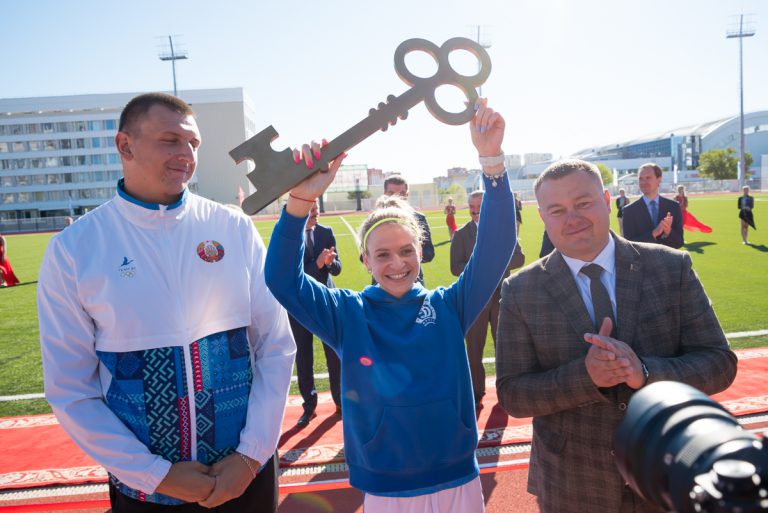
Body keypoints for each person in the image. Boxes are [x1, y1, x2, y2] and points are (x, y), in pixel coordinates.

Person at [37, 93, 296, 512]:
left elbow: (275, 346)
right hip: (146, 492)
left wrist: (251, 456)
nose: (187, 155)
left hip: (245, 478)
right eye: (170, 140)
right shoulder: (74, 248)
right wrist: (153, 474)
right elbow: (71, 390)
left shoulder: (232, 227)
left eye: (194, 143)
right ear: (125, 145)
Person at [266, 98, 516, 511]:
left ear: (419, 252)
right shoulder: (347, 314)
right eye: (382, 255)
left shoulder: (449, 305)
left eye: (406, 251)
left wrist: (492, 161)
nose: (397, 263)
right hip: (386, 487)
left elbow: (497, 246)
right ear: (365, 261)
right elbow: (282, 280)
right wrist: (299, 202)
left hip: (457, 477)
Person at [495, 159, 738, 513]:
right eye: (557, 210)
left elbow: (719, 363)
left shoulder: (672, 266)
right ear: (542, 217)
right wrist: (586, 377)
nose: (572, 219)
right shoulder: (520, 290)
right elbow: (513, 394)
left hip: (668, 475)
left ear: (608, 200)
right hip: (572, 487)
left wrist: (645, 373)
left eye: (583, 203)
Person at [450, 190, 524, 409]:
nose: (475, 211)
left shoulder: (505, 230)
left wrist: (496, 264)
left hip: (503, 298)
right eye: (472, 207)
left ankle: (506, 389)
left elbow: (519, 258)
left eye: (480, 207)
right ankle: (475, 391)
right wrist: (480, 268)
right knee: (474, 348)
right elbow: (455, 267)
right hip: (475, 300)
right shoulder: (461, 234)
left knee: (505, 348)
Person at [290, 198, 343, 428]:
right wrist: (318, 264)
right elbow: (292, 275)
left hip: (325, 302)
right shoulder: (290, 236)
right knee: (304, 356)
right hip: (300, 305)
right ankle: (309, 406)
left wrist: (330, 263)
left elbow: (338, 269)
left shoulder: (326, 232)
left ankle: (340, 402)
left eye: (317, 209)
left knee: (334, 353)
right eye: (311, 210)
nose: (315, 213)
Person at [382, 174, 435, 284]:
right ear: (385, 194)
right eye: (391, 194)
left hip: (414, 283)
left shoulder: (419, 218)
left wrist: (409, 251)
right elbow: (364, 257)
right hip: (382, 284)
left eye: (401, 194)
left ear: (407, 195)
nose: (396, 198)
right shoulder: (374, 221)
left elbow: (429, 253)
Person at [621, 162, 683, 248]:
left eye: (648, 178)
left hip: (668, 257)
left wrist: (668, 231)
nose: (644, 182)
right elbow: (629, 247)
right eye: (641, 179)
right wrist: (653, 234)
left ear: (659, 179)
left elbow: (679, 242)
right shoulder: (629, 211)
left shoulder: (674, 207)